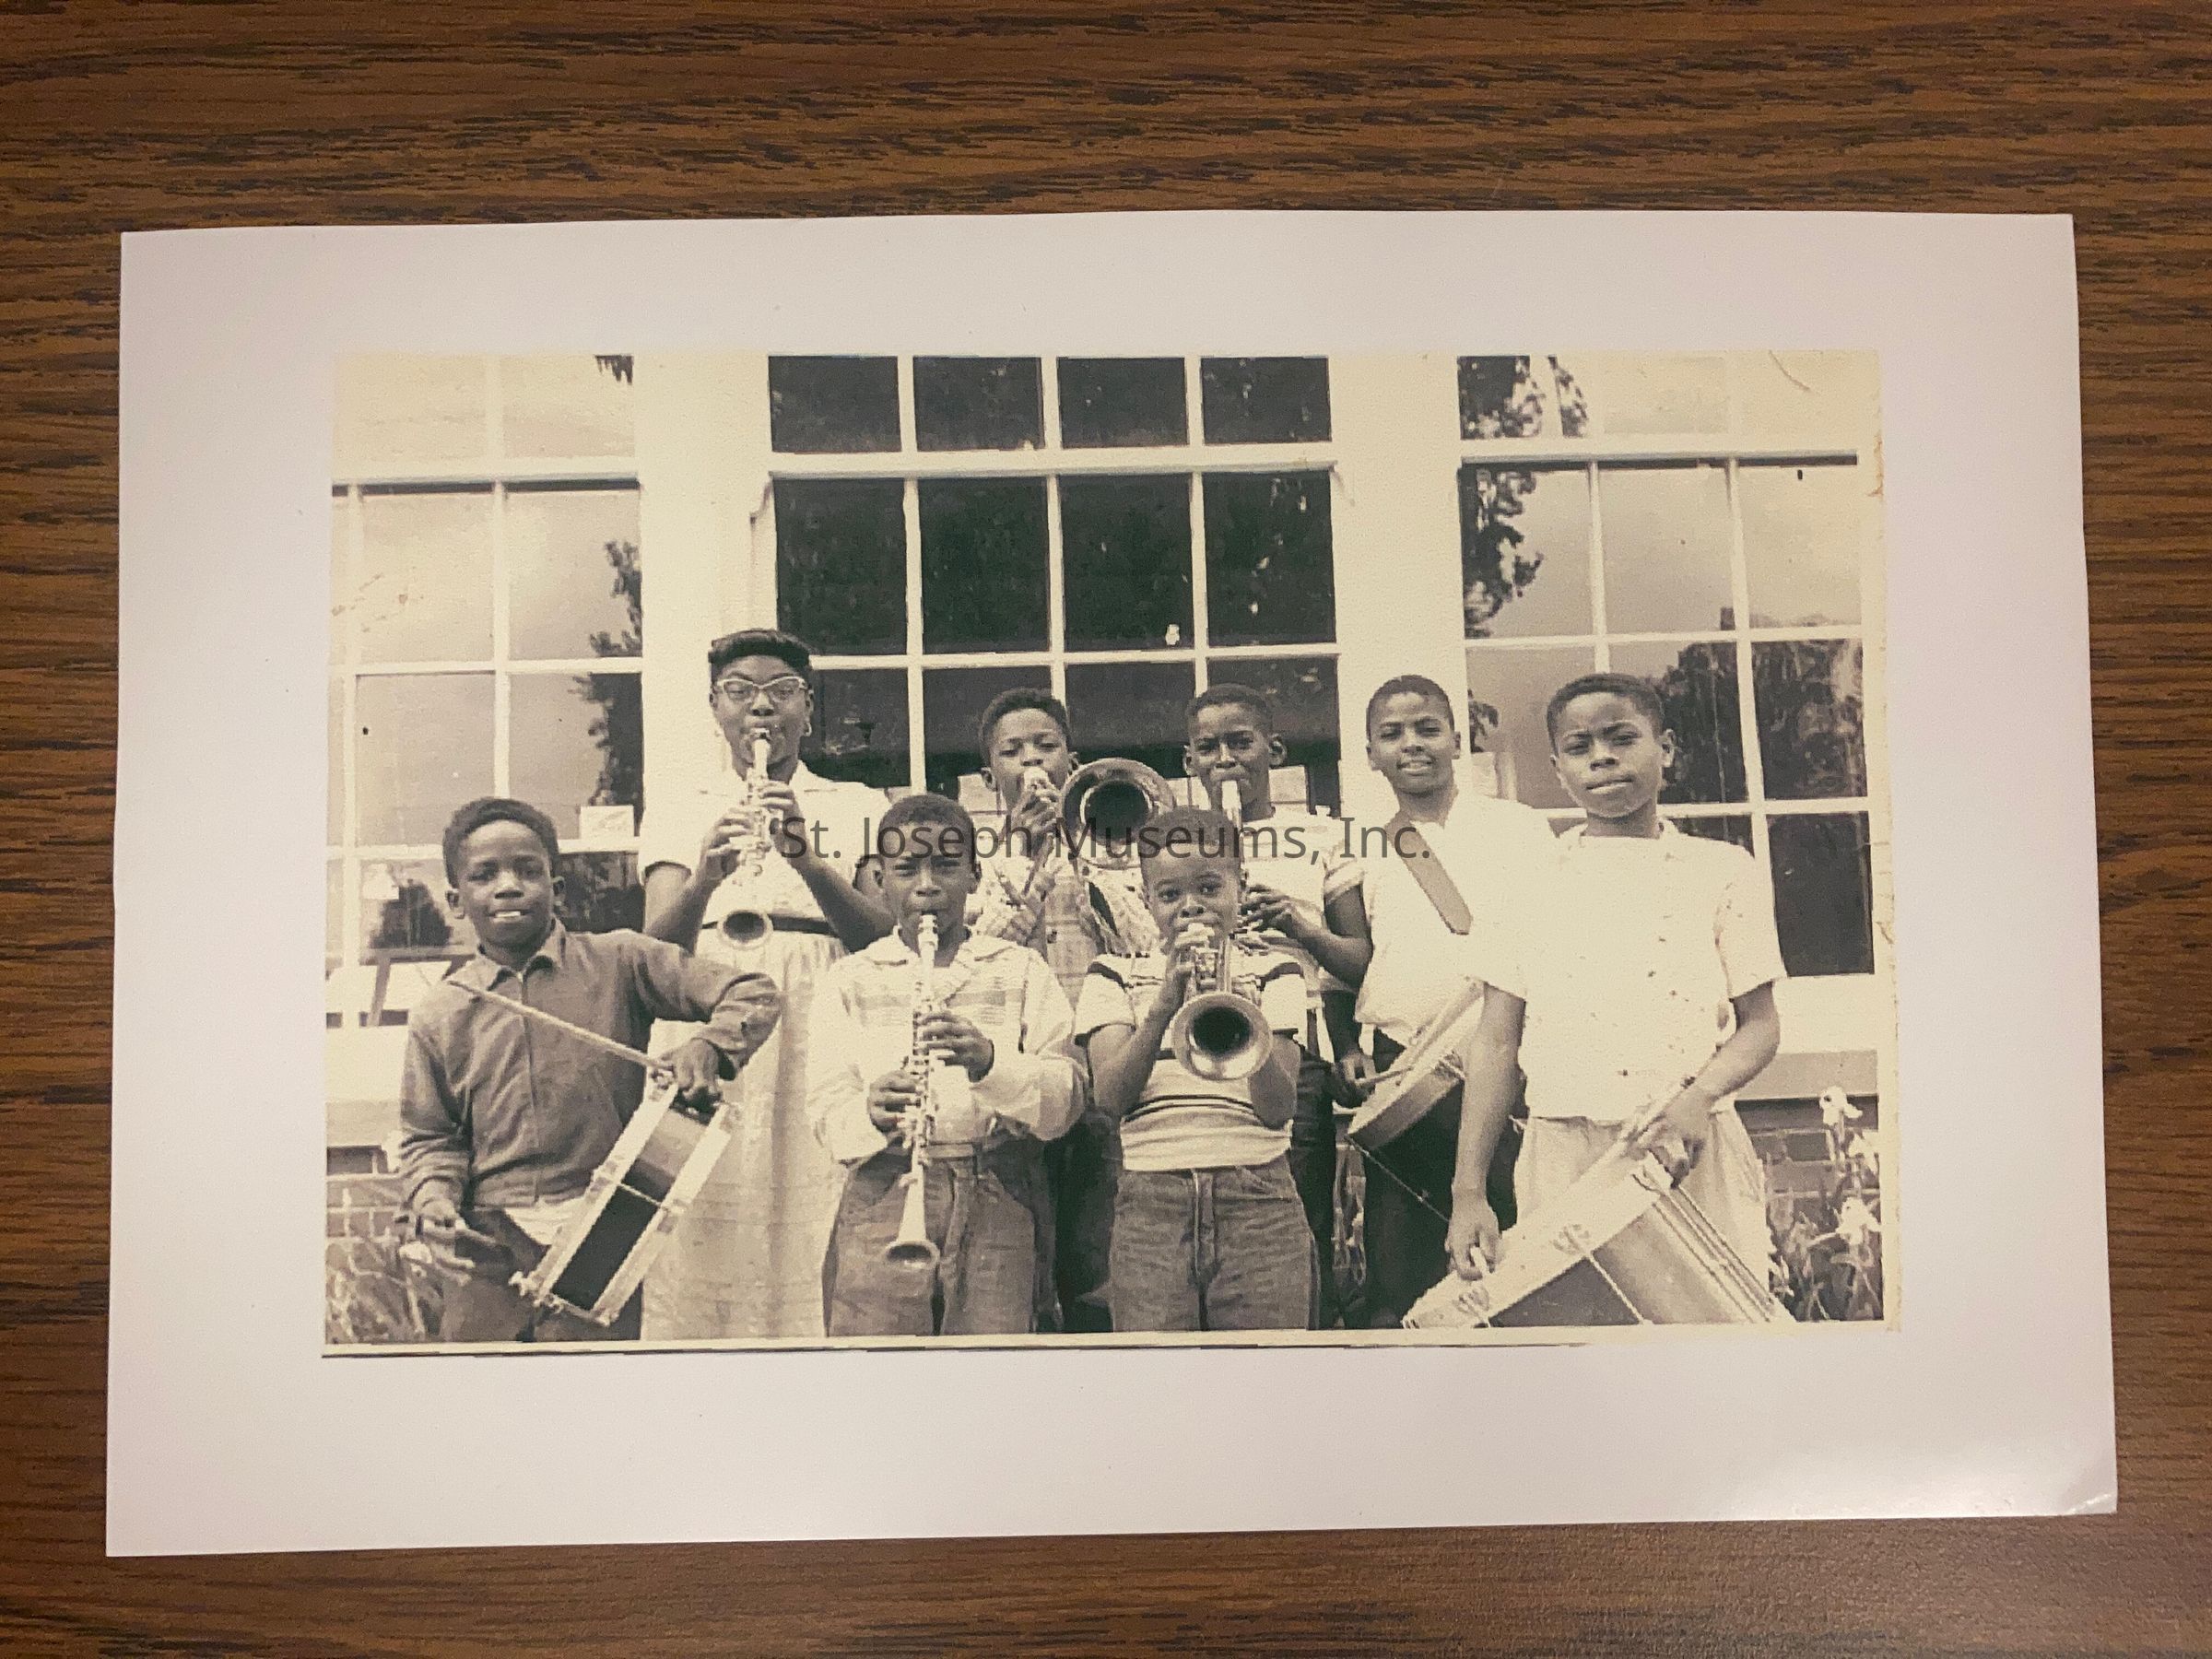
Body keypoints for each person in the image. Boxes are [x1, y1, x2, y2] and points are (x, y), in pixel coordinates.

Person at [1444, 673, 1783, 1292]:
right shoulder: (1526, 882)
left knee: (1713, 1321)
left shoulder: (1721, 871)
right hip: (1564, 1151)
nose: (1601, 757)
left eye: (1622, 738)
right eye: (1579, 747)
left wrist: (1699, 1097)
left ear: (1666, 749)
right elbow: (1495, 1042)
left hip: (1690, 1143)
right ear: (1558, 768)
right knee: (1581, 1321)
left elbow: (1760, 1026)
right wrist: (1468, 1191)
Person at [398, 796, 781, 1344]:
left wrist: (710, 1048)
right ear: (457, 901)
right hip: (488, 1246)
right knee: (483, 1388)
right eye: (485, 875)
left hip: (604, 1230)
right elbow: (430, 1137)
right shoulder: (440, 1011)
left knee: (597, 1386)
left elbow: (753, 992)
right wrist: (434, 1200)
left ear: (557, 886)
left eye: (528, 870)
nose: (508, 887)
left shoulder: (619, 960)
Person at [638, 628, 893, 1340]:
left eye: (782, 691)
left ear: (807, 708)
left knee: (816, 1200)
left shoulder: (856, 801)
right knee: (705, 1201)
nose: (761, 707)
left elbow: (883, 942)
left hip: (820, 1013)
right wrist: (703, 880)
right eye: (740, 691)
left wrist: (809, 862)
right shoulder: (680, 804)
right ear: (715, 707)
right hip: (708, 1012)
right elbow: (654, 955)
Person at [1321, 674, 1559, 1326]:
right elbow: (1345, 966)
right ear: (1370, 753)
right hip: (1404, 1066)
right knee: (1403, 1261)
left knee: (1515, 1243)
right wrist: (1344, 1044)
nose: (1412, 744)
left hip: (1509, 1056)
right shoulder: (1354, 841)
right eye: (1392, 734)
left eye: (1428, 729)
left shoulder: (1519, 827)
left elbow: (1553, 937)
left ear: (1457, 739)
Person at [809, 794, 1079, 1335]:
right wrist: (870, 1111)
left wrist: (990, 1064)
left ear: (976, 876)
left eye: (946, 866)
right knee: (875, 1353)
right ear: (880, 881)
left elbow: (1064, 1105)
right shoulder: (850, 979)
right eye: (906, 869)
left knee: (992, 1359)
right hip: (884, 1189)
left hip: (997, 1188)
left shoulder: (1021, 970)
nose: (927, 886)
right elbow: (824, 1114)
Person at [1077, 806, 1313, 1332]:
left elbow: (1278, 1110)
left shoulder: (1276, 969)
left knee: (1269, 1368)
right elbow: (1109, 1099)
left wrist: (1239, 1008)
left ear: (1240, 887)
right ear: (1146, 900)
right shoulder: (1112, 973)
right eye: (1169, 895)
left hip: (1259, 1198)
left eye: (1209, 888)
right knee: (1157, 1372)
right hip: (1151, 1203)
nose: (1191, 907)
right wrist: (1164, 1005)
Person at [967, 686, 1155, 1332]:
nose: (1032, 762)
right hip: (1020, 1078)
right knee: (1027, 1257)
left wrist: (1083, 849)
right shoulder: (980, 869)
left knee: (1100, 1254)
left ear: (1071, 761)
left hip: (1100, 1070)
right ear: (989, 776)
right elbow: (982, 952)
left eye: (1045, 747)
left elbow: (1142, 943)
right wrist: (1025, 855)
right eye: (1013, 751)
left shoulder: (1114, 853)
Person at [1181, 682, 1359, 1325]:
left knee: (1296, 1216)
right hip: (1192, 1053)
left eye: (1241, 743)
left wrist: (1299, 926)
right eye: (1208, 748)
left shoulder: (1320, 836)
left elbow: (1359, 959)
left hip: (1291, 1047)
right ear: (1190, 762)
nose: (1225, 759)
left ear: (1274, 751)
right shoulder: (1173, 840)